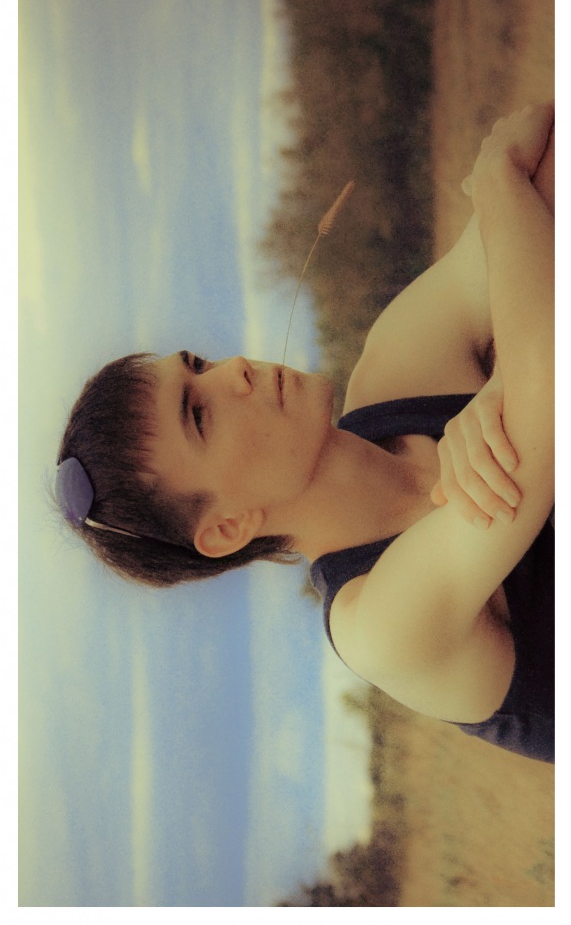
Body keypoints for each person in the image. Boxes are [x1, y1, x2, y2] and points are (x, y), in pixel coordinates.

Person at [56, 104, 555, 762]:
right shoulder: (378, 625)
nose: (235, 369)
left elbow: (547, 163)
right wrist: (494, 180)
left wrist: (512, 379)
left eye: (198, 365)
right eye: (199, 415)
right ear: (226, 528)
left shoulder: (397, 368)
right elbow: (548, 389)